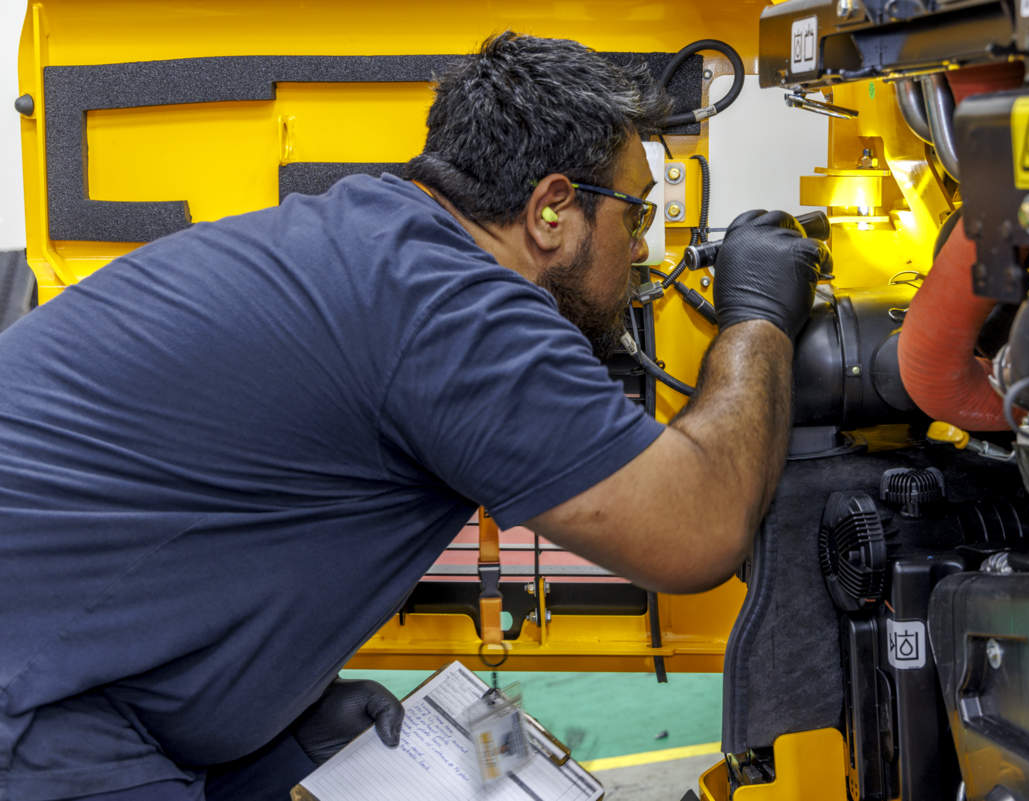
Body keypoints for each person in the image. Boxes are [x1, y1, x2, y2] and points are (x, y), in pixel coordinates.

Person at [0, 31, 829, 801]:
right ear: (551, 210)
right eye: (635, 214)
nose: (644, 248)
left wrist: (281, 711)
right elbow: (698, 526)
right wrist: (758, 318)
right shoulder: (453, 309)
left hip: (77, 669)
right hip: (34, 697)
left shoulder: (371, 238)